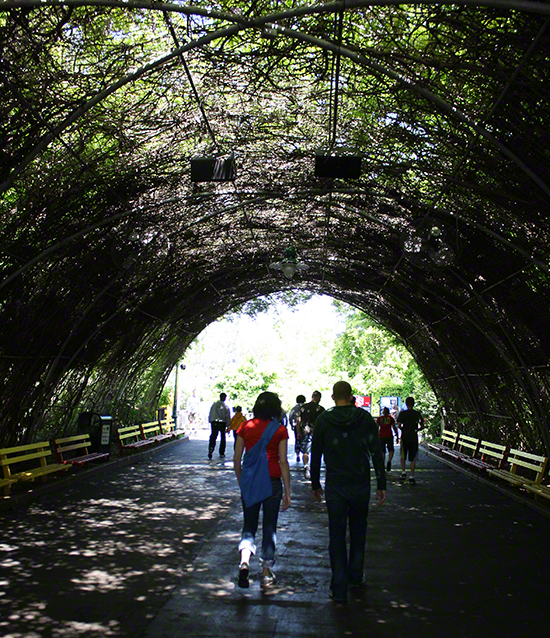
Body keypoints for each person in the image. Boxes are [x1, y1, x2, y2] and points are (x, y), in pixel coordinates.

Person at [311, 381, 386, 603]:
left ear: (333, 397)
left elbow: (316, 454)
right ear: (351, 396)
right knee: (358, 530)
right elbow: (376, 452)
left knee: (336, 535)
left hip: (335, 484)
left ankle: (339, 586)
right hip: (360, 483)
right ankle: (355, 576)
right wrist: (381, 483)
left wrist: (316, 484)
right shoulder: (364, 419)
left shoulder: (323, 420)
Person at [234, 391, 291, 588]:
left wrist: (242, 481)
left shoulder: (245, 426)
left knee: (249, 524)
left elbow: (236, 459)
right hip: (272, 482)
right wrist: (288, 490)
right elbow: (283, 461)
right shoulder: (280, 430)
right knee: (269, 526)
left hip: (250, 481)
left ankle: (244, 562)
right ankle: (266, 572)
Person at [397, 396, 425, 484]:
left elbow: (399, 425)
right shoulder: (417, 414)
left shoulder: (402, 414)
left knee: (403, 455)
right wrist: (417, 430)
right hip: (413, 437)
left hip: (405, 437)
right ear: (413, 404)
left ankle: (403, 472)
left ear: (406, 403)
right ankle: (412, 476)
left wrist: (403, 430)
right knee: (413, 457)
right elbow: (422, 425)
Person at [297, 390, 325, 479]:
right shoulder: (320, 409)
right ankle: (313, 467)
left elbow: (299, 420)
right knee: (316, 451)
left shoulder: (303, 408)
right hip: (316, 432)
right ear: (317, 398)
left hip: (305, 431)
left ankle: (306, 466)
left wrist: (298, 431)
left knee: (305, 451)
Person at [208, 392, 231, 459]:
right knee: (223, 437)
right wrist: (228, 425)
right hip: (222, 423)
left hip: (214, 422)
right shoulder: (225, 407)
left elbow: (211, 413)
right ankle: (222, 452)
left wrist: (211, 420)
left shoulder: (214, 405)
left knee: (213, 436)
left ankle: (211, 448)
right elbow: (227, 416)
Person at [377, 407, 398, 472]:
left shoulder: (379, 419)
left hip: (381, 436)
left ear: (383, 412)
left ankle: (383, 464)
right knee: (391, 449)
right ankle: (389, 460)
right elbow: (394, 427)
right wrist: (397, 435)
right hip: (389, 435)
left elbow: (376, 427)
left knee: (382, 451)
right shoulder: (390, 418)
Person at [288, 394, 306, 463]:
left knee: (297, 440)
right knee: (305, 440)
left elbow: (290, 417)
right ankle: (305, 454)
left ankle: (297, 455)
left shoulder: (294, 408)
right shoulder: (305, 407)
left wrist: (291, 425)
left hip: (296, 426)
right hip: (305, 426)